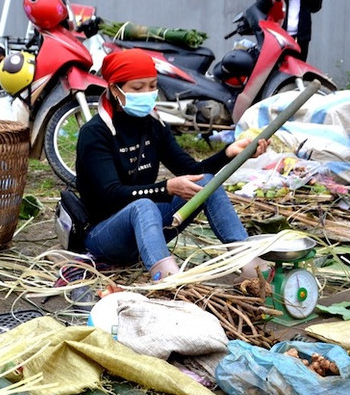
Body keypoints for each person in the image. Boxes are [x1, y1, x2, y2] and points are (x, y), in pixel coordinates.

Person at [75, 49, 269, 282]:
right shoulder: (95, 134)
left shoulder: (154, 125)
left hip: (149, 229)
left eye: (152, 86)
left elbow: (194, 171)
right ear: (115, 90)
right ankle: (168, 280)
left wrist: (230, 153)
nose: (147, 94)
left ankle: (247, 262)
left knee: (208, 182)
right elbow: (111, 195)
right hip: (104, 236)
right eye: (138, 88)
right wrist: (166, 188)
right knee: (143, 206)